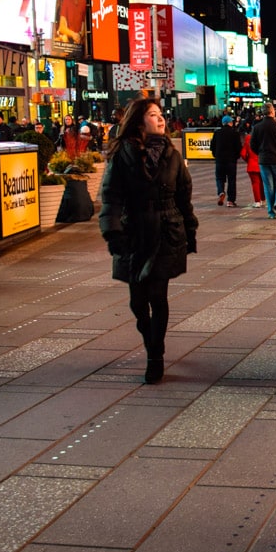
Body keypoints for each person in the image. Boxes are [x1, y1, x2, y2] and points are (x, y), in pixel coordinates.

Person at [99, 98, 198, 384]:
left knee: (158, 295)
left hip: (167, 231)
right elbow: (112, 198)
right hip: (134, 232)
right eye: (153, 115)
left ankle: (155, 354)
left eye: (160, 114)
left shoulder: (172, 154)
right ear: (139, 121)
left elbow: (184, 196)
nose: (160, 119)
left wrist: (190, 231)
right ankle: (149, 335)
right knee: (137, 301)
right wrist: (112, 232)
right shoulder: (122, 155)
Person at [249, 103, 276, 219]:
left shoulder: (257, 128)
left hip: (263, 160)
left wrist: (260, 153)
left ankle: (271, 212)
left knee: (268, 185)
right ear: (272, 112)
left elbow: (252, 145)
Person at [210, 115, 241, 208]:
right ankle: (230, 201)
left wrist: (216, 156)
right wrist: (236, 157)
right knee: (231, 180)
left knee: (219, 178)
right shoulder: (235, 133)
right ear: (230, 123)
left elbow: (212, 147)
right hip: (231, 161)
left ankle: (221, 191)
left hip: (219, 160)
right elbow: (238, 147)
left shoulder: (217, 133)